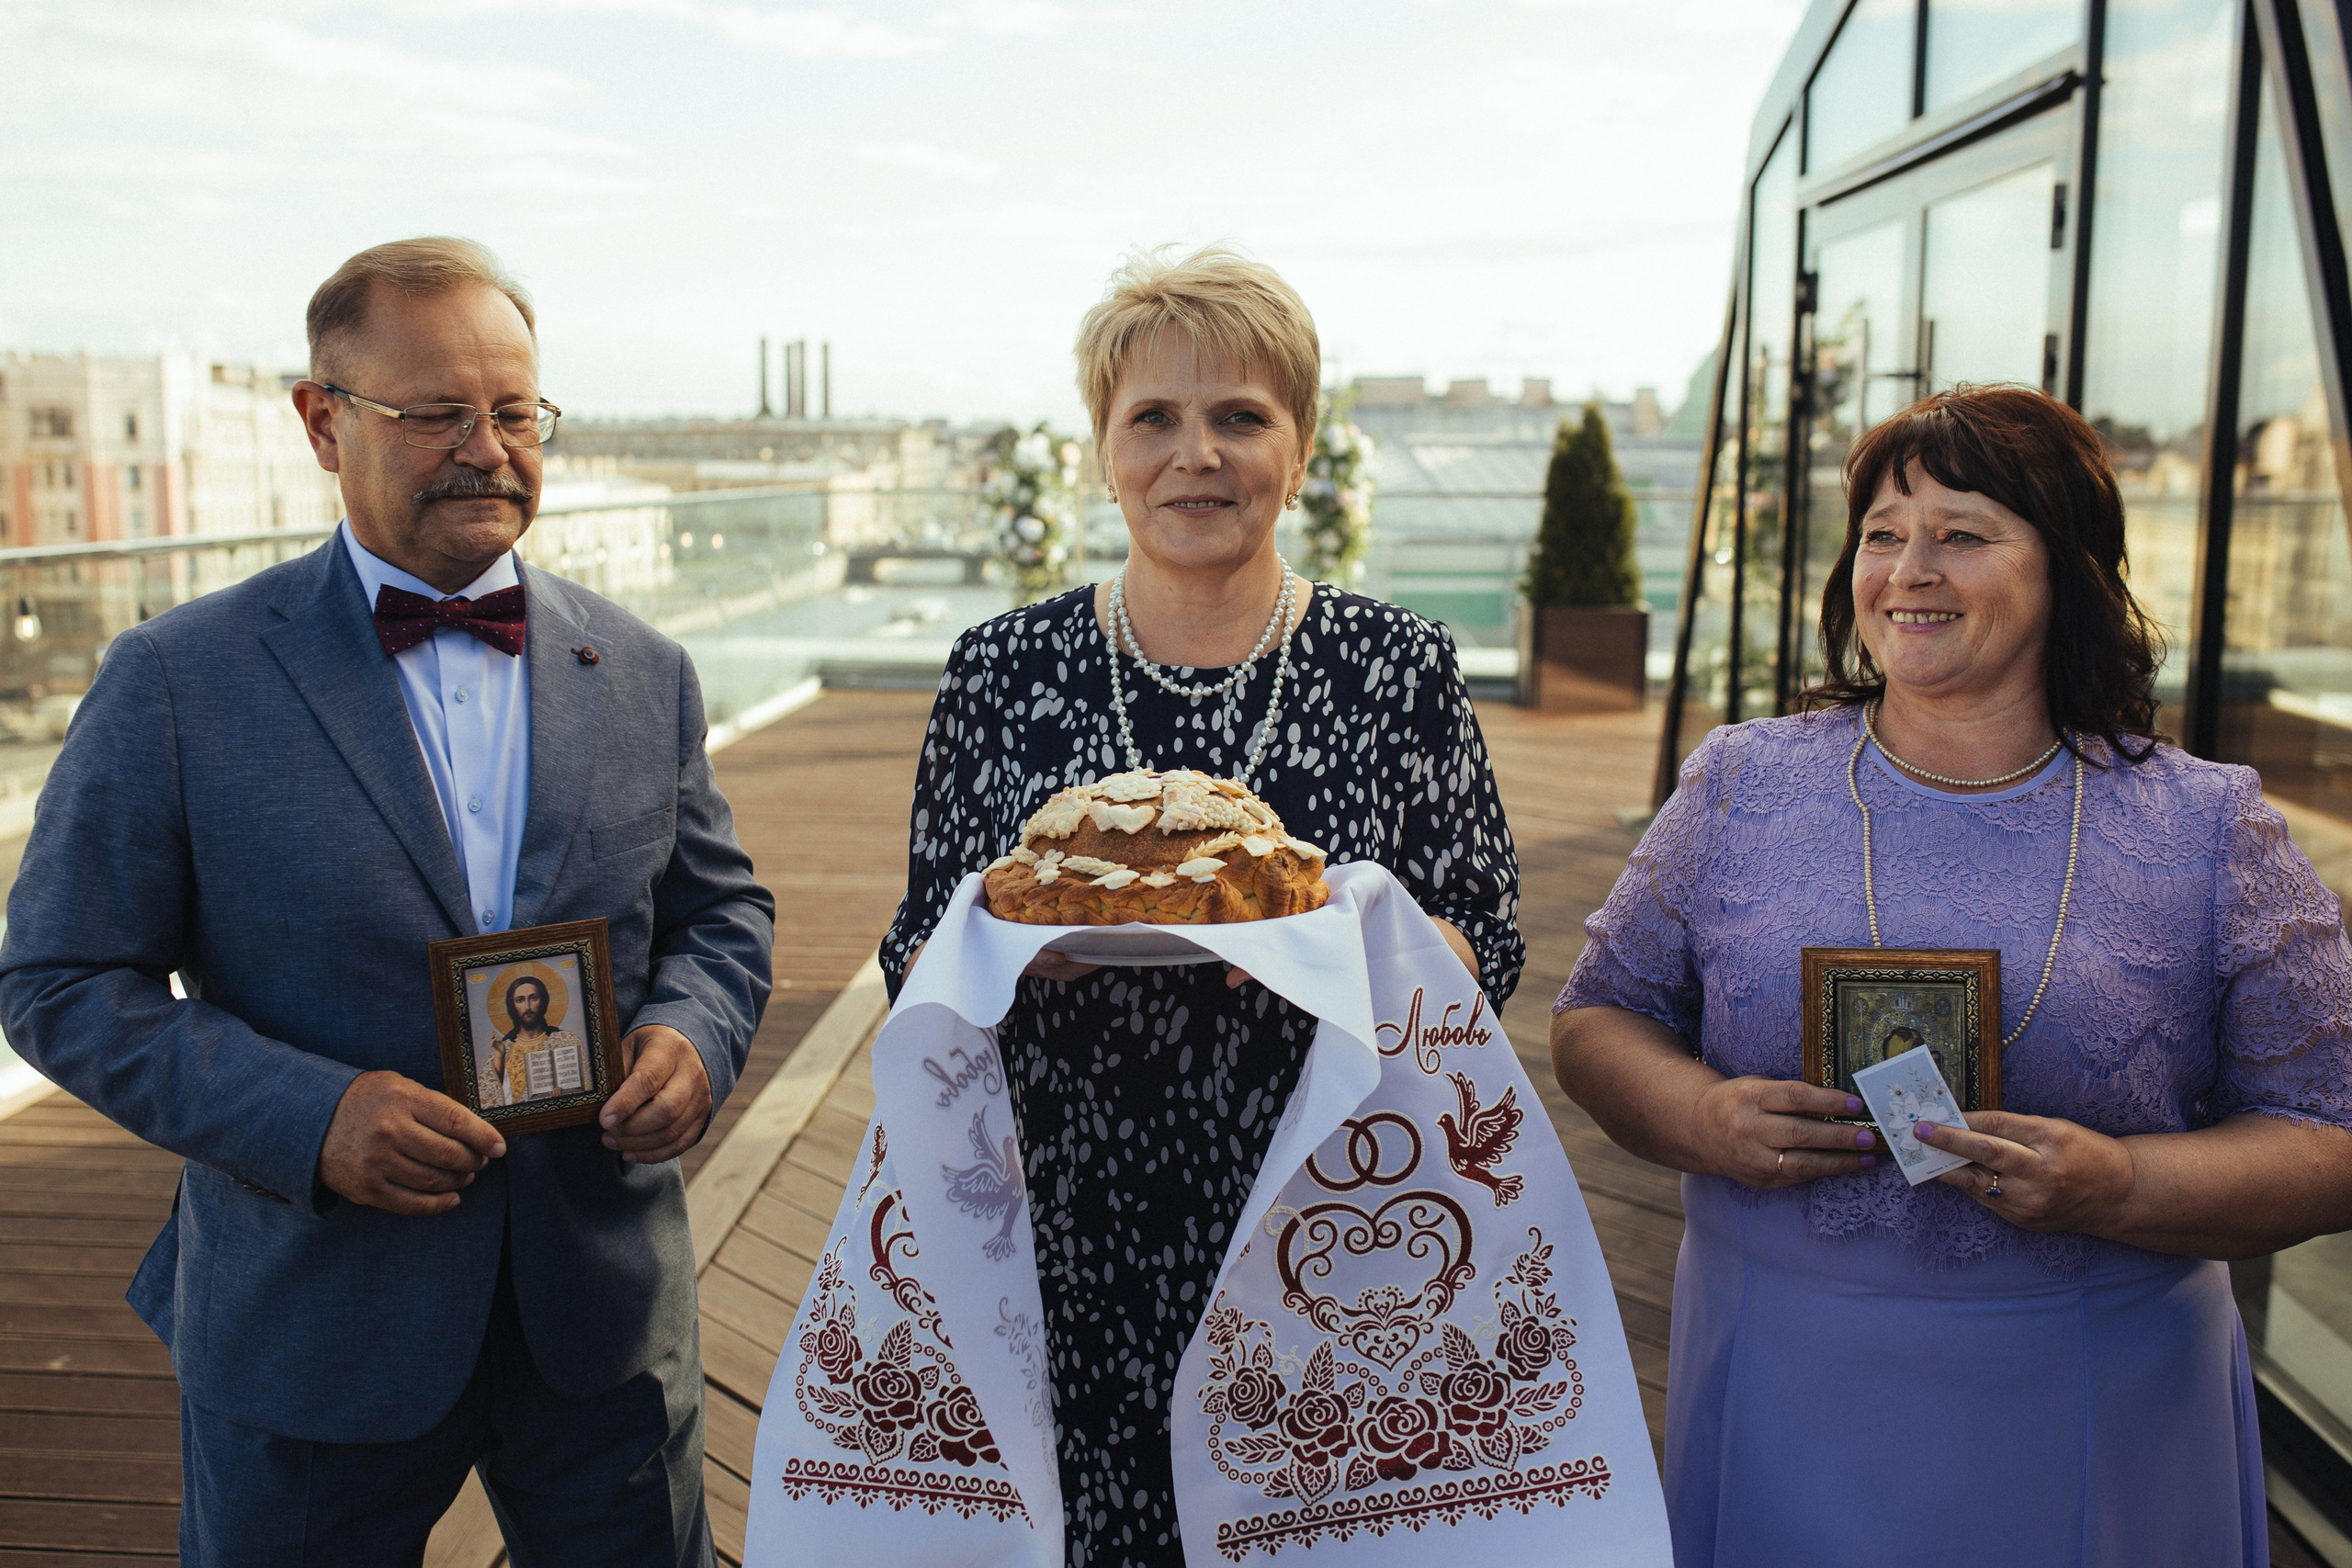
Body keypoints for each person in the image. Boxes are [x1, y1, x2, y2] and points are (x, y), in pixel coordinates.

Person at [0, 237, 775, 1567]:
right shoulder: (176, 680)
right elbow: (59, 981)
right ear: (322, 422)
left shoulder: (645, 668)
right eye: (436, 415)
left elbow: (721, 915)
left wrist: (692, 1035)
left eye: (515, 411)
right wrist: (312, 1116)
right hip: (314, 1324)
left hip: (599, 1316)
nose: (487, 450)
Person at [1552, 384, 2352, 1566]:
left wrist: (2121, 1185)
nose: (1908, 571)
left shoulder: (2208, 826)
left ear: (2067, 570)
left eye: (1962, 534)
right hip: (1783, 1382)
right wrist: (1701, 1117)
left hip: (2093, 1406)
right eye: (1883, 534)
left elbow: (2329, 1132)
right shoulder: (1740, 783)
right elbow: (1597, 1017)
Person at [880, 243, 1524, 1565]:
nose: (1197, 455)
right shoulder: (1000, 666)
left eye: (1240, 415)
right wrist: (1010, 947)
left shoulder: (1395, 663)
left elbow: (1486, 939)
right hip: (1068, 1214)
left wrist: (1345, 945)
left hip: (1334, 1214)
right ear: (1102, 448)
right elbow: (915, 946)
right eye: (1153, 419)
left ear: (1300, 445)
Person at [496, 973, 588, 1104]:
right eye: (520, 1000)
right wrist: (499, 1061)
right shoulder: (503, 1049)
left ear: (543, 1001)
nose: (528, 1007)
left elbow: (587, 1088)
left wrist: (564, 1097)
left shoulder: (566, 1040)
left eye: (533, 998)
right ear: (512, 1006)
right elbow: (490, 1098)